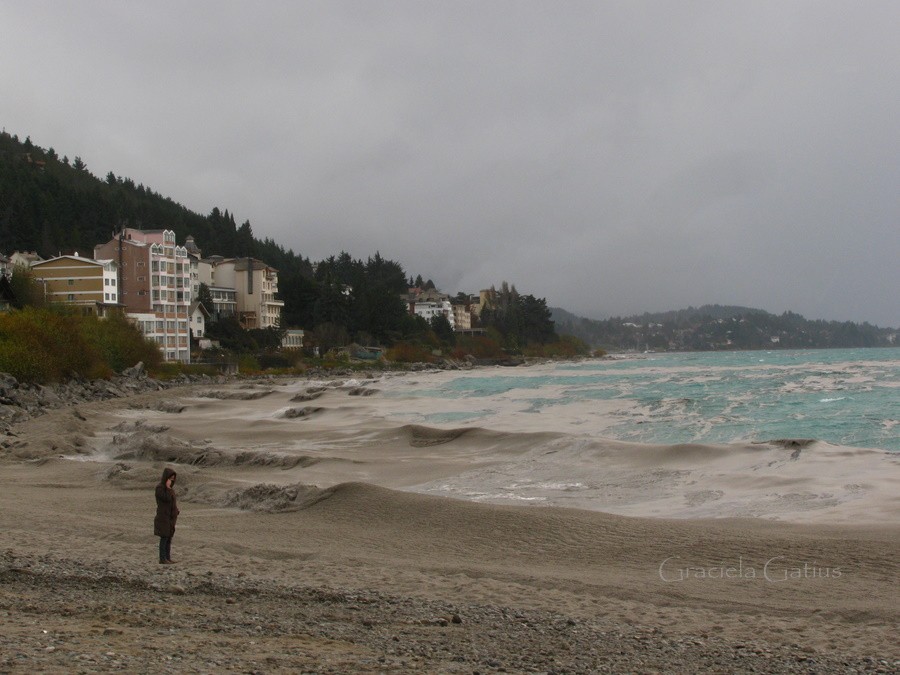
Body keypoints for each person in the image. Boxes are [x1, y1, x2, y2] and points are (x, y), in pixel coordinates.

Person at [154, 467, 180, 564]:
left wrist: (176, 511)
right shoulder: (160, 488)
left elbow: (172, 503)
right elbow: (166, 499)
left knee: (169, 537)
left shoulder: (170, 490)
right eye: (170, 479)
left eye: (173, 479)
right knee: (164, 538)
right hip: (163, 517)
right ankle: (162, 558)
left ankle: (168, 558)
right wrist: (168, 488)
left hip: (170, 518)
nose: (171, 481)